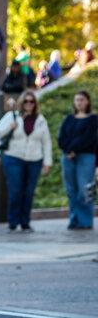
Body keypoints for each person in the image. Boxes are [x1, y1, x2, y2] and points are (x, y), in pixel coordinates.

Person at [0, 90, 53, 232]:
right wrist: (9, 127)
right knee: (15, 190)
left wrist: (47, 162)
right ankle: (13, 221)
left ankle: (25, 222)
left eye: (31, 101)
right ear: (21, 102)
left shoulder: (40, 120)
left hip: (34, 159)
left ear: (35, 103)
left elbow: (46, 142)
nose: (29, 104)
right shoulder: (12, 116)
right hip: (14, 157)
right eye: (26, 101)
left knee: (29, 191)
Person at [57, 90, 97, 230]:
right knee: (71, 190)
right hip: (68, 158)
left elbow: (89, 138)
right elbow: (62, 138)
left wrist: (73, 149)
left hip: (86, 157)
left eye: (82, 100)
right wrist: (67, 150)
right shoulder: (68, 119)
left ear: (87, 102)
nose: (79, 102)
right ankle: (74, 219)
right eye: (77, 100)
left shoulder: (93, 119)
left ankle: (85, 221)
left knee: (85, 190)